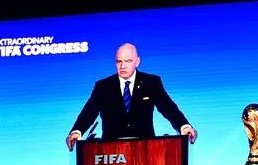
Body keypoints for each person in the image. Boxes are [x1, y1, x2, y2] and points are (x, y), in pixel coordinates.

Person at [66, 43, 198, 148]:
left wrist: (184, 126)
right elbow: (89, 112)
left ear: (137, 61)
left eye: (128, 61)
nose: (122, 66)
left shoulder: (151, 82)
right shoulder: (103, 86)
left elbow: (168, 108)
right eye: (119, 62)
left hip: (146, 148)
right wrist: (77, 131)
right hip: (111, 152)